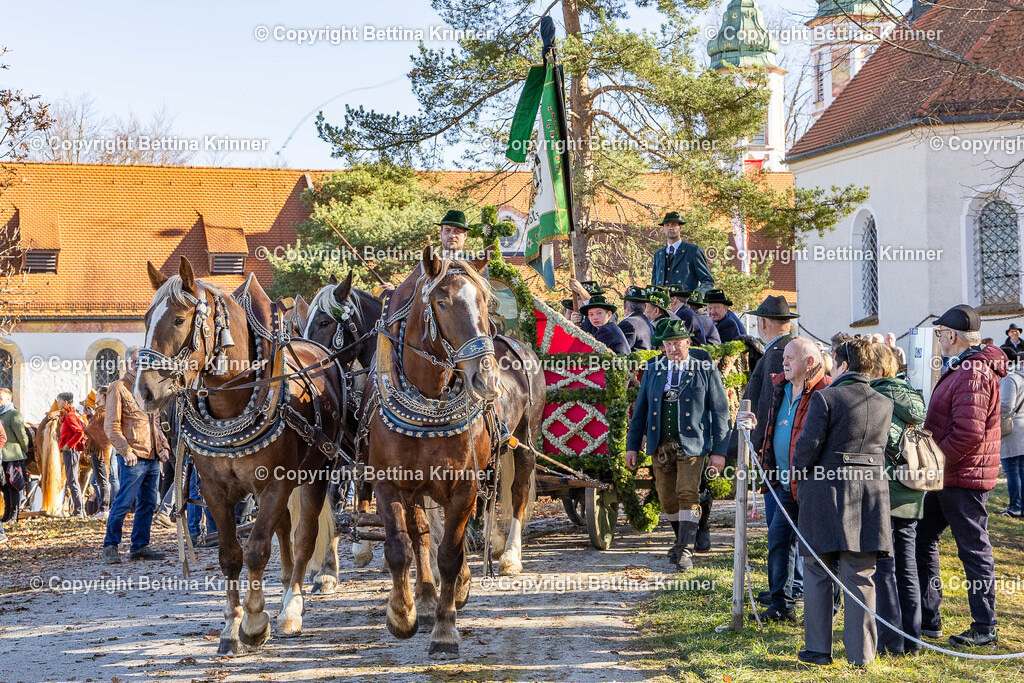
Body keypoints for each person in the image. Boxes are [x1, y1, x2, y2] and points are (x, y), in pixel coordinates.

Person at [792, 338, 894, 666]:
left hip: (826, 493)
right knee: (860, 574)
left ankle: (818, 650)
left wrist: (795, 472)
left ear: (844, 366)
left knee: (818, 570)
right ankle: (861, 656)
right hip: (870, 495)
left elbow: (808, 447)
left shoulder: (825, 398)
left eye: (834, 363)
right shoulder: (884, 402)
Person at [917, 304, 1005, 647]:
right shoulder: (963, 366)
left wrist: (933, 460)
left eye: (941, 333)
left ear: (952, 336)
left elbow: (968, 433)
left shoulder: (973, 371)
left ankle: (985, 627)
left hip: (963, 477)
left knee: (973, 549)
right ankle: (928, 618)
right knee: (922, 537)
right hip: (948, 475)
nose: (939, 338)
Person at [625, 319, 731, 571]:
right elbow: (640, 411)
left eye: (677, 343)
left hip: (693, 444)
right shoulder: (653, 369)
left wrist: (719, 452)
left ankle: (685, 549)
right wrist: (632, 446)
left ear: (688, 342)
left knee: (687, 492)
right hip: (660, 445)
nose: (672, 349)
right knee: (667, 499)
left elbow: (720, 411)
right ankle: (682, 538)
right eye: (668, 344)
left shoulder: (703, 368)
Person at [746, 338, 831, 622]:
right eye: (784, 357)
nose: (784, 362)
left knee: (820, 548)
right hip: (784, 483)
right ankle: (781, 605)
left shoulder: (826, 390)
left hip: (813, 485)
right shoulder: (780, 388)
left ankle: (828, 608)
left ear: (810, 362)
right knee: (778, 540)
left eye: (791, 358)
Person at [868, 342, 927, 657]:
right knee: (908, 567)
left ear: (875, 368)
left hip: (887, 491)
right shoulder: (912, 395)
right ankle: (913, 640)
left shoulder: (876, 396)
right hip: (912, 491)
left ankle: (892, 642)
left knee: (884, 568)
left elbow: (882, 444)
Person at [102, 346, 170, 564]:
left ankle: (140, 546)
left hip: (152, 456)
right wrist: (126, 450)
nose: (138, 365)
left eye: (142, 362)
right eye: (134, 361)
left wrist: (163, 447)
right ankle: (110, 546)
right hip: (132, 457)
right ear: (126, 364)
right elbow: (111, 426)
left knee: (148, 504)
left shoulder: (148, 387)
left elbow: (155, 422)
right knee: (124, 502)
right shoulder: (118, 388)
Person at [650, 211, 714, 293]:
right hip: (662, 300)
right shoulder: (658, 254)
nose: (670, 228)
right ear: (663, 229)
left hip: (685, 300)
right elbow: (654, 284)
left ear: (680, 227)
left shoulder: (693, 251)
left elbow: (708, 281)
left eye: (674, 224)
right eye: (667, 225)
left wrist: (695, 296)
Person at [82, 388, 114, 520]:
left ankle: (105, 508)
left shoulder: (102, 412)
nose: (95, 396)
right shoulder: (103, 411)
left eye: (97, 394)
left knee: (102, 480)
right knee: (101, 480)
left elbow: (90, 429)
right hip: (99, 449)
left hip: (100, 449)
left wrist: (89, 418)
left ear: (102, 396)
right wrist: (90, 416)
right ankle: (104, 507)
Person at [0, 388, 29, 523]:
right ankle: (7, 514)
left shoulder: (14, 414)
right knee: (4, 486)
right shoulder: (1, 415)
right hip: (2, 456)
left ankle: (14, 515)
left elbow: (21, 435)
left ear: (8, 399)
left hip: (13, 455)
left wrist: (24, 449)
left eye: (0, 398)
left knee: (13, 485)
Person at [999, 360, 1024, 518]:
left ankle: (1015, 507)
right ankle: (1021, 507)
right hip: (1021, 427)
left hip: (1011, 428)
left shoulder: (1010, 377)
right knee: (1021, 469)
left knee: (1011, 469)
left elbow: (1006, 406)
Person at [56, 392, 86, 518]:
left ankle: (79, 510)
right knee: (72, 479)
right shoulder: (68, 415)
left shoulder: (69, 416)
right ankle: (78, 509)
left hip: (71, 451)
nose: (57, 403)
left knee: (72, 480)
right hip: (70, 451)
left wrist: (68, 445)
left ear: (66, 402)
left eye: (59, 401)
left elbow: (79, 432)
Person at [618, 286, 654, 351]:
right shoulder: (648, 323)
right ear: (645, 307)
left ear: (624, 305)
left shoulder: (627, 324)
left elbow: (621, 351)